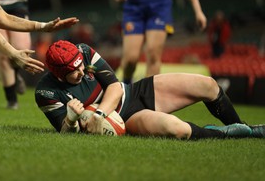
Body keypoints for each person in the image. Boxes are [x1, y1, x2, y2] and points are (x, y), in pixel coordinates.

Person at [35, 40, 264, 139]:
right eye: (73, 72)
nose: (82, 71)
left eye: (81, 65)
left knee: (208, 84)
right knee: (178, 130)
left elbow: (114, 85)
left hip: (133, 92)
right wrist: (72, 120)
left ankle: (245, 128)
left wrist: (99, 113)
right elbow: (66, 135)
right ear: (57, 74)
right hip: (126, 118)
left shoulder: (83, 50)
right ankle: (225, 134)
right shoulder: (46, 92)